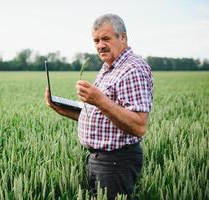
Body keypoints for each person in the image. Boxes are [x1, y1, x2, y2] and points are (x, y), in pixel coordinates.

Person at [45, 13, 153, 199]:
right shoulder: (109, 67)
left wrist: (99, 99)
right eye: (96, 40)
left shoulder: (133, 69)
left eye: (105, 38)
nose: (100, 45)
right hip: (98, 160)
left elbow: (139, 126)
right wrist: (61, 109)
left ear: (123, 37)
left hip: (116, 162)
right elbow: (103, 116)